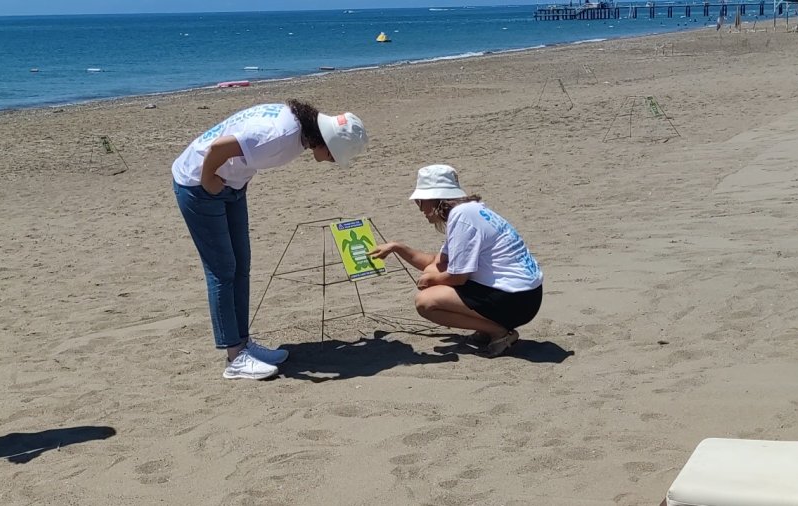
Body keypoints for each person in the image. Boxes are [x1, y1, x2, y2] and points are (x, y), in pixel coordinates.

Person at [173, 100, 368, 380]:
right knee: (222, 271)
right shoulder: (282, 135)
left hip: (230, 185)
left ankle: (243, 343)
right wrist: (208, 181)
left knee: (241, 265)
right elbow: (218, 148)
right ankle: (235, 356)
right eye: (335, 157)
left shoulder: (297, 128)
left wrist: (233, 181)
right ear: (327, 144)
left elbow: (242, 147)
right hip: (198, 185)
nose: (333, 162)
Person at [369, 164, 543, 357]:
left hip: (517, 299)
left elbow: (459, 277)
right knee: (434, 271)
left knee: (425, 302)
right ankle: (489, 327)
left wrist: (430, 280)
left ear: (434, 199)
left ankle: (498, 332)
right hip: (525, 294)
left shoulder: (462, 217)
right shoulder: (469, 211)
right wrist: (396, 247)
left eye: (420, 201)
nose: (420, 209)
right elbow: (436, 262)